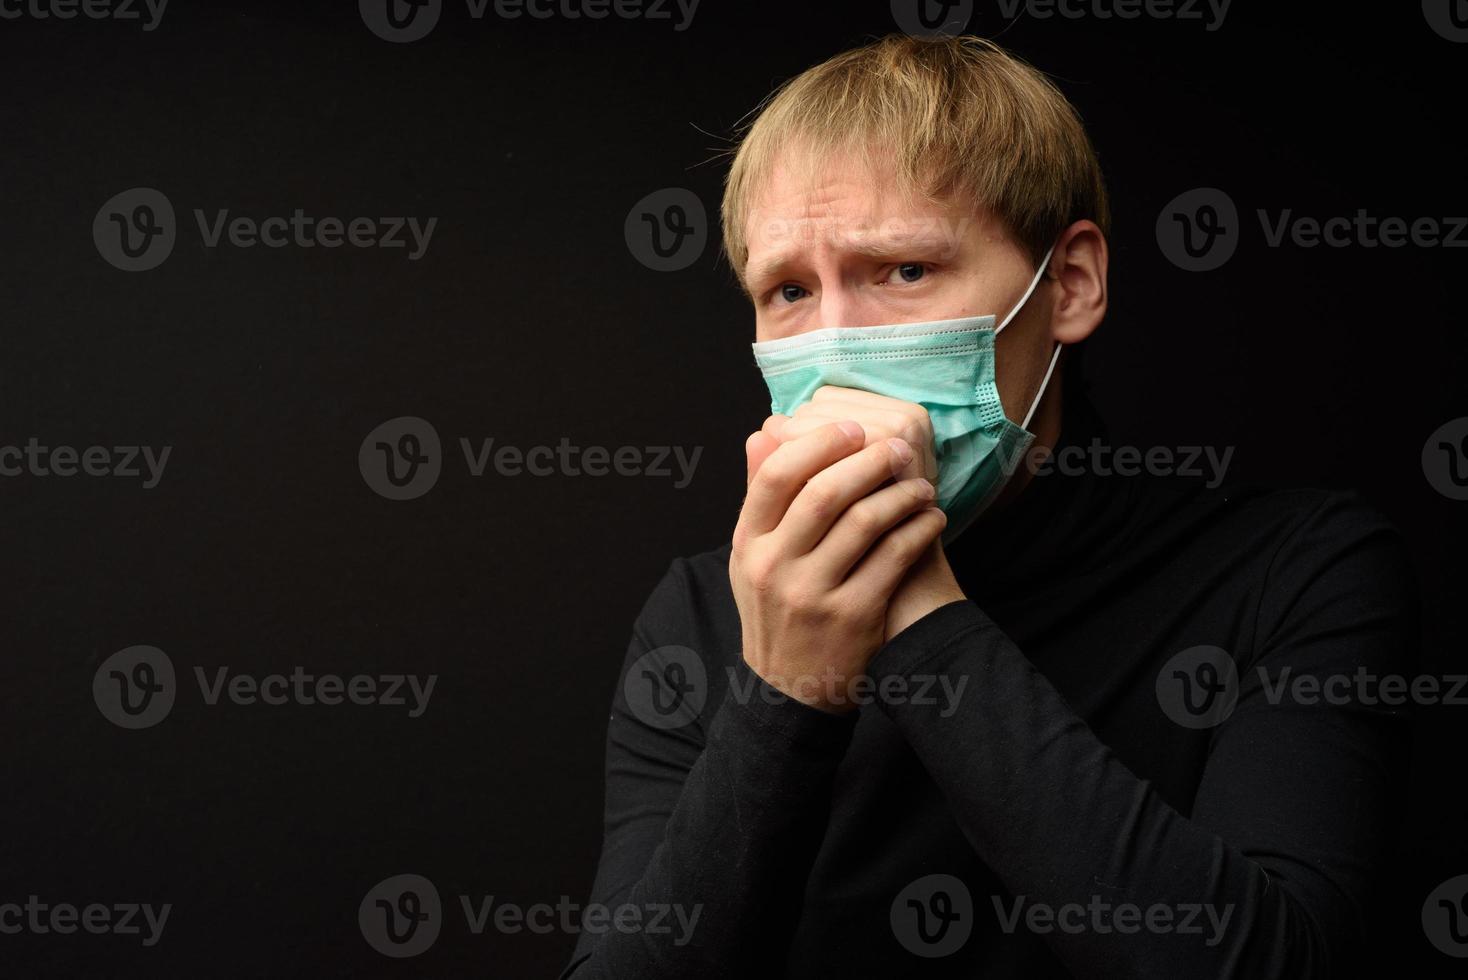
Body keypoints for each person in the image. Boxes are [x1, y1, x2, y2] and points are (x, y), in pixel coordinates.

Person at [559, 34, 1415, 978]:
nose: (837, 346)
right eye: (791, 290)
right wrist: (784, 694)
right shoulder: (707, 612)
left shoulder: (1291, 573)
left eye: (903, 271)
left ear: (1071, 284)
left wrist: (916, 602)